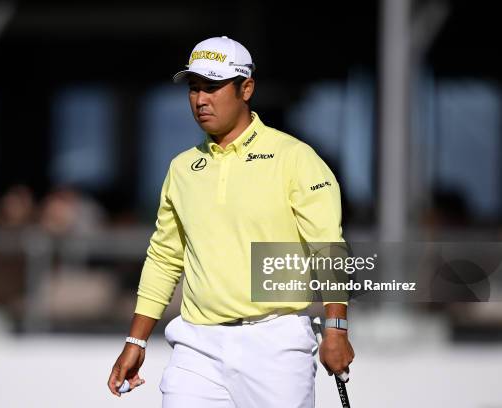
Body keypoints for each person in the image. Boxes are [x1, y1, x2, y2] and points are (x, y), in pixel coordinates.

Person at [107, 35, 354, 407]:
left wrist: (336, 328)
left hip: (277, 341)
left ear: (247, 88)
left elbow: (327, 247)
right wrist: (136, 340)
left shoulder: (295, 158)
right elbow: (163, 257)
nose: (200, 100)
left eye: (212, 87)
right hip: (196, 345)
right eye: (194, 88)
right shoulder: (182, 168)